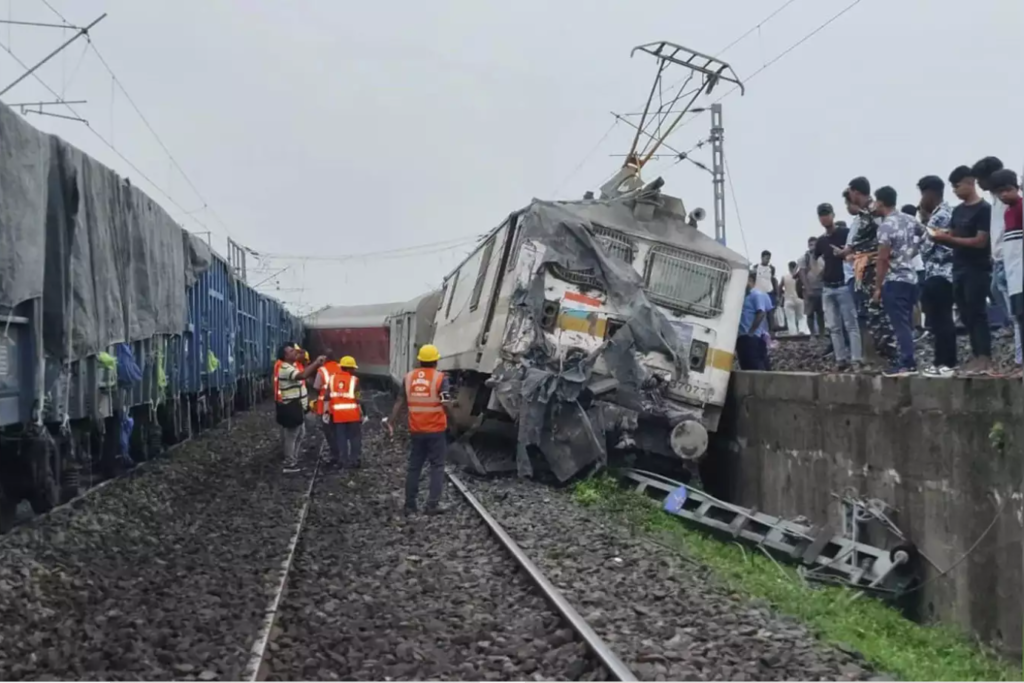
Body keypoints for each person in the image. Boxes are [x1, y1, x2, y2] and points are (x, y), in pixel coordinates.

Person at [931, 165, 993, 374]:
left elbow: (980, 241)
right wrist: (942, 236)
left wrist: (948, 238)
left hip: (977, 268)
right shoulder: (957, 211)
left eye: (957, 186)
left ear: (970, 182)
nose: (955, 191)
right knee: (965, 314)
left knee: (977, 313)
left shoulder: (984, 209)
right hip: (957, 268)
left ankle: (985, 358)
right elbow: (955, 236)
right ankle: (977, 357)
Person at [386, 344, 453, 516]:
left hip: (416, 429)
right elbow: (445, 403)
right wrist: (453, 420)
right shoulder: (440, 378)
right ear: (436, 361)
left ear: (420, 361)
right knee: (437, 466)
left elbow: (400, 401)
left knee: (414, 466)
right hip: (436, 429)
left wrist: (391, 422)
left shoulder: (409, 377)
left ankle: (409, 505)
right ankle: (432, 504)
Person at [974, 157, 1023, 371]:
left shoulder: (1012, 205)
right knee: (999, 293)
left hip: (1011, 260)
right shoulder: (1000, 202)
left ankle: (1019, 354)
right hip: (1002, 259)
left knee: (1017, 312)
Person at [843, 177, 898, 365]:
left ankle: (893, 358)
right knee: (871, 316)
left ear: (856, 192)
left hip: (876, 269)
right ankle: (882, 358)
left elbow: (867, 241)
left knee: (880, 315)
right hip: (866, 270)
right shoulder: (864, 214)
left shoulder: (874, 212)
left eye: (850, 193)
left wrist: (848, 251)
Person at [873, 186, 920, 375]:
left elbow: (883, 259)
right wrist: (911, 251)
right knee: (906, 322)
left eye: (876, 201)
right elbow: (926, 235)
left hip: (894, 280)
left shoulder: (885, 226)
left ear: (881, 202)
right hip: (911, 278)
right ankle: (908, 360)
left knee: (899, 324)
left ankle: (906, 362)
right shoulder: (909, 219)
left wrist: (877, 287)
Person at [915, 175, 957, 377]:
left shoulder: (939, 216)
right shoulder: (947, 213)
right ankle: (944, 362)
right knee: (941, 319)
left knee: (941, 320)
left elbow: (925, 248)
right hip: (944, 274)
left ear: (929, 193)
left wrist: (924, 224)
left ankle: (945, 362)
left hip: (940, 274)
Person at [815, 202, 862, 371]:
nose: (824, 217)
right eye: (821, 215)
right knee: (834, 327)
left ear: (833, 215)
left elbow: (857, 251)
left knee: (851, 324)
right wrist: (819, 273)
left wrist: (846, 255)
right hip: (828, 287)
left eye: (827, 214)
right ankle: (840, 359)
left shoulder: (845, 233)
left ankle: (856, 359)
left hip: (844, 285)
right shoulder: (820, 241)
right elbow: (816, 261)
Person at [990, 168, 1023, 378]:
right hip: (1013, 274)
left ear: (1017, 188)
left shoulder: (1021, 208)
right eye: (999, 192)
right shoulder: (1008, 212)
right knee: (1019, 317)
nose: (1004, 195)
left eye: (1007, 190)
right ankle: (1020, 362)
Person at [275, 345, 325, 473]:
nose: (295, 352)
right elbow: (302, 376)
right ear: (286, 356)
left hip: (297, 406)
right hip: (291, 406)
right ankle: (289, 463)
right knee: (292, 435)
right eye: (292, 351)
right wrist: (316, 363)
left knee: (299, 433)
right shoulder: (285, 368)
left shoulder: (291, 366)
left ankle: (293, 459)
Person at [327, 355, 363, 468]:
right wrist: (362, 412)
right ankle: (354, 460)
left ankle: (342, 460)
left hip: (338, 415)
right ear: (349, 369)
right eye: (353, 368)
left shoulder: (332, 379)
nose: (354, 370)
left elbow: (328, 396)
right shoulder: (354, 380)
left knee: (340, 437)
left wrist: (327, 411)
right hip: (352, 414)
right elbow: (358, 398)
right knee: (355, 437)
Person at [737, 272, 773, 370]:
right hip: (744, 336)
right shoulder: (744, 296)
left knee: (754, 365)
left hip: (752, 337)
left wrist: (751, 332)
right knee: (746, 364)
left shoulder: (756, 294)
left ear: (751, 280)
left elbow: (761, 313)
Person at [312, 352, 341, 454]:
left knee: (329, 431)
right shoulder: (341, 368)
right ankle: (342, 452)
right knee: (339, 430)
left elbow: (316, 387)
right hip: (340, 405)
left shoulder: (322, 370)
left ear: (325, 359)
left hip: (326, 406)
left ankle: (335, 453)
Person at [800, 236, 825, 336]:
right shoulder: (804, 258)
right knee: (810, 314)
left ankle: (822, 334)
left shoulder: (823, 256)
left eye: (815, 244)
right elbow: (802, 274)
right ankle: (813, 334)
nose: (813, 247)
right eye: (811, 244)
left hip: (822, 288)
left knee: (821, 313)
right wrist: (807, 288)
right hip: (809, 289)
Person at [781, 261, 806, 334]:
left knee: (790, 319)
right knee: (801, 317)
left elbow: (780, 287)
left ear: (789, 267)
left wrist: (783, 294)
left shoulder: (785, 277)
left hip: (788, 300)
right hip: (800, 299)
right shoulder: (801, 276)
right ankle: (802, 330)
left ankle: (793, 333)